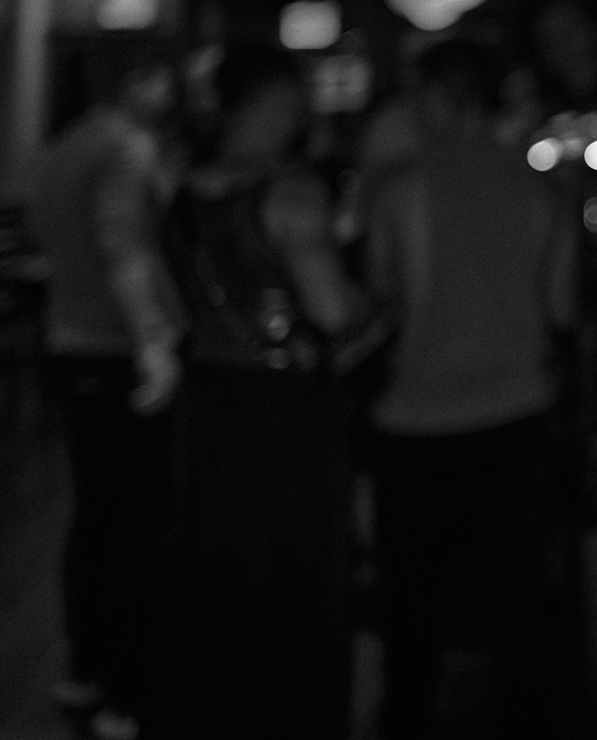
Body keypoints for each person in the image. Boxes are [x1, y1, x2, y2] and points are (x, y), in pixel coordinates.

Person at [154, 44, 383, 740]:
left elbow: (176, 308)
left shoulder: (183, 190)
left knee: (218, 584)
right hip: (285, 414)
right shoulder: (290, 192)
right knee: (297, 588)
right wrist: (386, 308)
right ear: (274, 103)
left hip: (208, 403)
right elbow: (335, 312)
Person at [362, 39, 579, 738]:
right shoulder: (541, 187)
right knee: (520, 603)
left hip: (417, 416)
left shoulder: (398, 186)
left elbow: (385, 298)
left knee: (413, 609)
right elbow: (561, 308)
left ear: (437, 99)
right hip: (518, 410)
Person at [29, 49, 184, 739]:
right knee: (137, 524)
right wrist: (154, 344)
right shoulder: (126, 147)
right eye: (165, 80)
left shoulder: (62, 147)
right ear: (139, 81)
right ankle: (128, 691)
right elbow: (123, 246)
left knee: (95, 518)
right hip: (117, 351)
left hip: (68, 341)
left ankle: (85, 668)